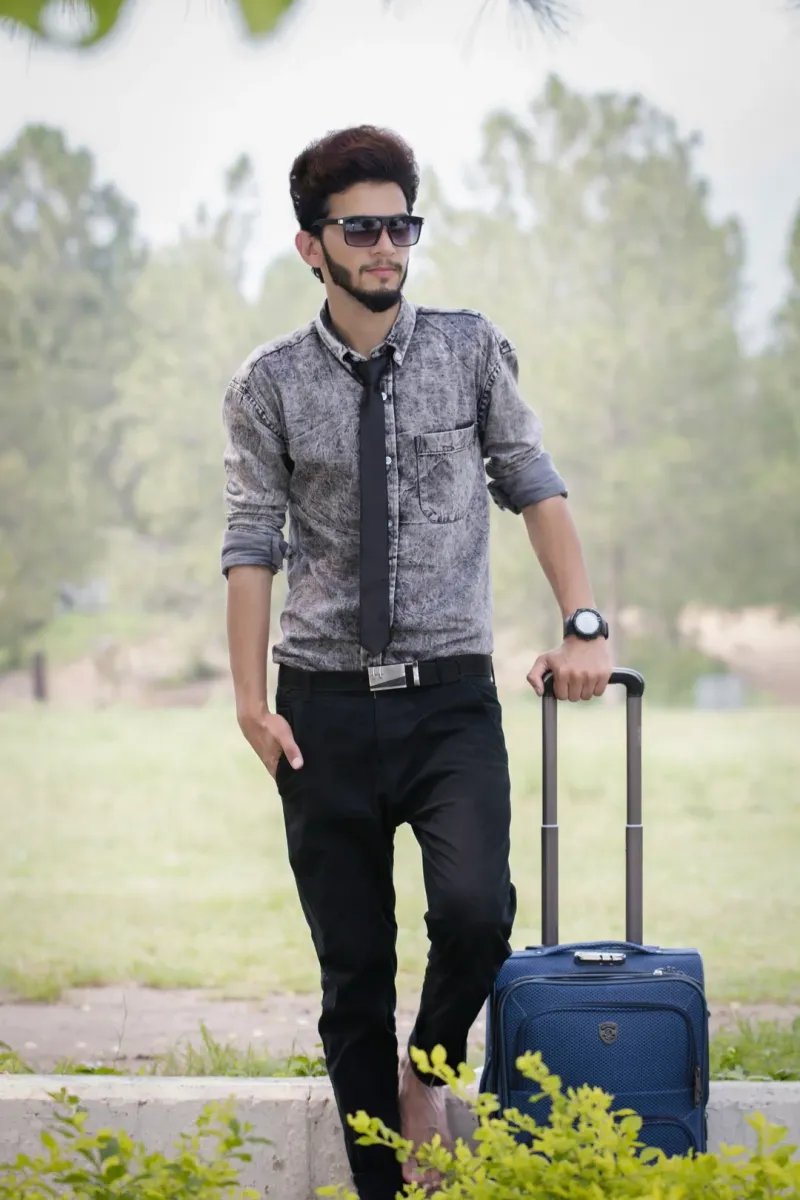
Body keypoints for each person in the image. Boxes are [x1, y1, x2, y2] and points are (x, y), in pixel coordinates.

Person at [221, 124, 613, 1200]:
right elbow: (250, 542)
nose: (387, 247)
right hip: (322, 710)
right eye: (361, 230)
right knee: (353, 974)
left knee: (478, 912)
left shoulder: (469, 351)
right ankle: (383, 1191)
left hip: (448, 699)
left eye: (401, 226)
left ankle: (427, 1072)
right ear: (312, 246)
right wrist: (251, 704)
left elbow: (532, 482)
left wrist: (583, 622)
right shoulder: (266, 385)